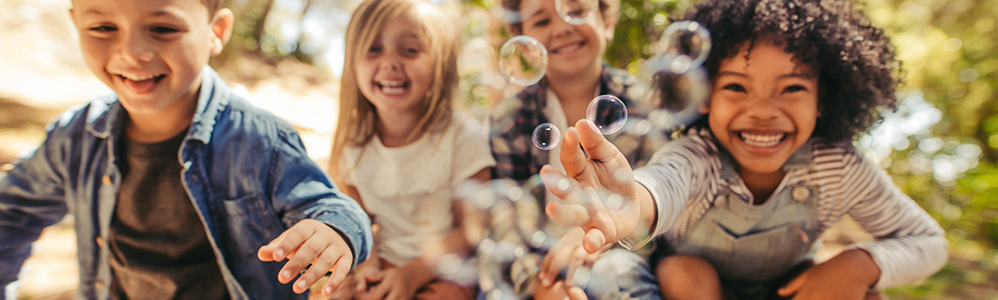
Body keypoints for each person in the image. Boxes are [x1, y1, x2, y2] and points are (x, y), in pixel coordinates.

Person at [539, 0, 948, 299]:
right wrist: (632, 201)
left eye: (792, 88)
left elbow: (928, 242)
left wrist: (861, 263)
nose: (763, 112)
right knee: (667, 272)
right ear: (703, 96)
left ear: (823, 99)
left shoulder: (836, 166)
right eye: (736, 87)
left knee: (866, 293)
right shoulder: (698, 155)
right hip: (684, 287)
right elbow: (663, 182)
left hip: (785, 288)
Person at [0, 0, 373, 299]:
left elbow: (334, 207)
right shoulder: (75, 137)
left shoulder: (259, 139)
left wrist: (334, 230)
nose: (132, 52)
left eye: (163, 28)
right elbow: (11, 214)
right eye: (103, 27)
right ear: (75, 22)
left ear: (216, 32)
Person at [488, 0, 665, 298]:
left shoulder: (643, 106)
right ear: (526, 43)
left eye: (576, 11)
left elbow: (653, 209)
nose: (562, 28)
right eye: (542, 21)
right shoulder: (510, 118)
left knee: (614, 275)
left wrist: (597, 241)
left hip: (614, 253)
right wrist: (539, 287)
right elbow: (506, 224)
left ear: (606, 22)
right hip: (535, 263)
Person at [326, 0, 495, 298]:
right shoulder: (353, 144)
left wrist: (412, 275)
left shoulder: (460, 135)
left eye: (410, 50)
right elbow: (361, 222)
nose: (390, 62)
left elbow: (472, 228)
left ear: (441, 64)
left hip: (445, 269)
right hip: (381, 262)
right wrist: (368, 270)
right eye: (373, 49)